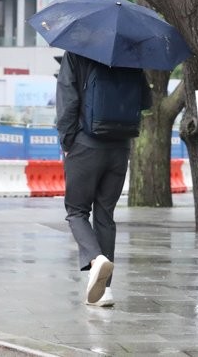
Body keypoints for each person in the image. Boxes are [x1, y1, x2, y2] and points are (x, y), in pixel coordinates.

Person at [55, 51, 151, 307]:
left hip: (85, 145)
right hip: (120, 147)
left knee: (76, 211)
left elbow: (68, 100)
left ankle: (96, 259)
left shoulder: (76, 52)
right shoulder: (130, 53)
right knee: (105, 214)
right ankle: (104, 292)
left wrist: (67, 142)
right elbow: (145, 100)